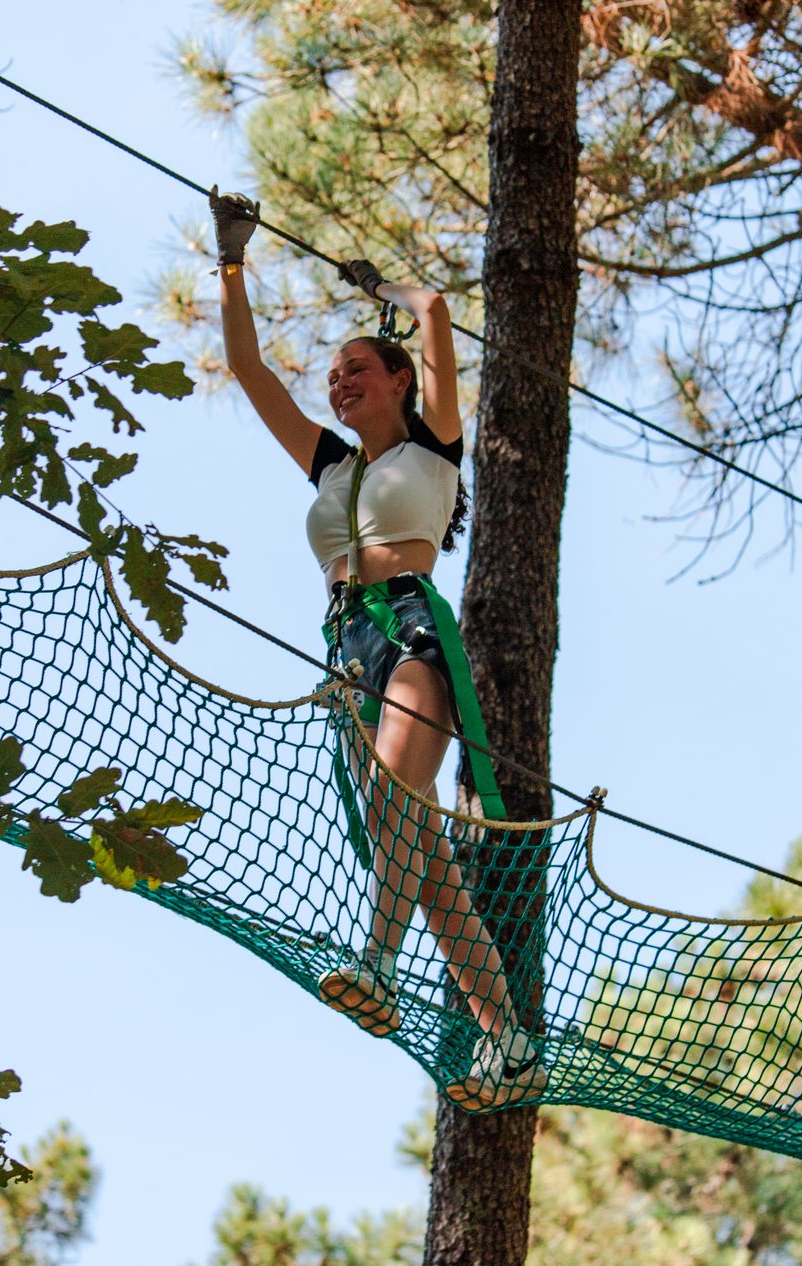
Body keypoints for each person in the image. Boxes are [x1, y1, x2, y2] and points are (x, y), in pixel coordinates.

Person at [209, 188, 547, 1109]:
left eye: (356, 367)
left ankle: (379, 963)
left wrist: (387, 290)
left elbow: (434, 314)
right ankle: (509, 1040)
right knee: (425, 861)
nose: (338, 381)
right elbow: (248, 369)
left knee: (401, 799)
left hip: (407, 626)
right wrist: (232, 259)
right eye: (334, 375)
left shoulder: (433, 449)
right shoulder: (332, 465)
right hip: (347, 650)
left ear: (398, 379)